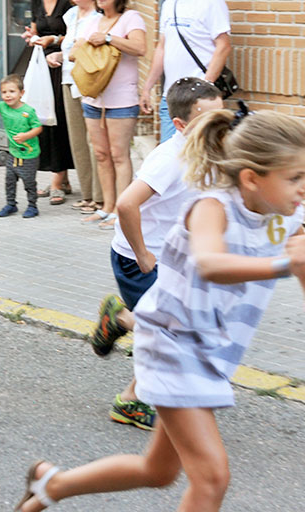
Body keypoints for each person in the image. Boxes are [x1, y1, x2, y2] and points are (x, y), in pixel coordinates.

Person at [14, 109, 305, 512]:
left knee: (158, 471)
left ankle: (51, 484)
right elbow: (210, 263)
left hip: (212, 351)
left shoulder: (285, 214)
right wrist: (281, 265)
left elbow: (302, 256)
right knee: (212, 478)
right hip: (171, 344)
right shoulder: (213, 207)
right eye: (295, 178)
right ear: (252, 178)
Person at [90, 78, 223, 433]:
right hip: (140, 261)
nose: (217, 125)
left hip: (177, 258)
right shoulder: (169, 159)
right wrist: (143, 254)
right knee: (168, 334)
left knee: (178, 328)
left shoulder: (210, 148)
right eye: (207, 119)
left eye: (220, 116)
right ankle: (131, 400)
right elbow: (126, 204)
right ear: (180, 125)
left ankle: (119, 318)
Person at [74, 0, 146, 229]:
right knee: (102, 155)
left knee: (119, 155)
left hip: (121, 100)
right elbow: (77, 49)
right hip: (93, 98)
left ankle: (120, 210)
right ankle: (106, 206)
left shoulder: (131, 18)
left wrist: (108, 38)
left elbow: (140, 48)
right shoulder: (93, 20)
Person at [140, 0, 232, 143]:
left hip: (198, 100)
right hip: (171, 98)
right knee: (170, 155)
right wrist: (147, 87)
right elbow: (161, 48)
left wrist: (204, 87)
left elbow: (223, 46)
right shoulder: (169, 4)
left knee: (197, 156)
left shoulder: (210, 0)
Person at [46, 0, 102, 213]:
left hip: (88, 83)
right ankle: (87, 194)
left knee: (93, 140)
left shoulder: (99, 19)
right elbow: (71, 48)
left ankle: (100, 197)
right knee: (77, 140)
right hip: (68, 80)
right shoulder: (70, 16)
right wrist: (58, 53)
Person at [21, 0, 74, 206]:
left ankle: (57, 180)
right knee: (44, 118)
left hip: (64, 64)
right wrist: (30, 36)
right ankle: (60, 178)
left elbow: (77, 32)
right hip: (44, 66)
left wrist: (55, 40)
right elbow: (35, 29)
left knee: (60, 120)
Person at [0, 75, 43, 219]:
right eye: (4, 92)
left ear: (21, 93)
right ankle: (11, 204)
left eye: (12, 91)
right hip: (13, 154)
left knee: (29, 182)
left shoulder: (28, 111)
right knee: (10, 180)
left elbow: (38, 128)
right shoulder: (3, 106)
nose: (7, 95)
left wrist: (26, 136)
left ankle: (32, 206)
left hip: (29, 154)